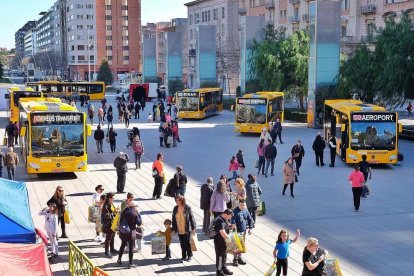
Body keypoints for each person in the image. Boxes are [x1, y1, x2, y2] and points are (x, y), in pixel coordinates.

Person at [117, 201, 142, 269]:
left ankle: (119, 259)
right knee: (131, 248)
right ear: (134, 207)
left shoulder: (124, 210)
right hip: (131, 232)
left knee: (122, 245)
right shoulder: (134, 213)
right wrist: (138, 214)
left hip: (123, 231)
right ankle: (130, 263)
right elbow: (139, 223)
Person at [171, 195, 196, 262]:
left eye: (178, 200)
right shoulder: (175, 208)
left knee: (187, 242)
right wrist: (173, 229)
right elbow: (173, 219)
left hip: (187, 228)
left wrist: (193, 228)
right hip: (179, 228)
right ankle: (184, 256)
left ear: (182, 201)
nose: (177, 202)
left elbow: (191, 218)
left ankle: (189, 255)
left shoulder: (187, 207)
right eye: (176, 200)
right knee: (182, 243)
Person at [230, 200, 253, 266]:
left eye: (244, 205)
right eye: (241, 205)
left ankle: (240, 258)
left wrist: (250, 228)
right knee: (236, 246)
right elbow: (233, 222)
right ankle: (235, 259)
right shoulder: (234, 212)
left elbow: (250, 219)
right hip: (236, 232)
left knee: (242, 245)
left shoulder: (245, 210)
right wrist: (234, 231)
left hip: (243, 231)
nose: (243, 206)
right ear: (238, 204)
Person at [213, 208, 234, 276]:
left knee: (224, 255)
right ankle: (219, 271)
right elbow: (222, 232)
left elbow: (226, 226)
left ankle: (224, 268)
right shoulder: (220, 220)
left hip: (224, 241)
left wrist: (231, 226)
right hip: (219, 242)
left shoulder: (224, 219)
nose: (231, 217)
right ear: (225, 214)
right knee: (220, 256)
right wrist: (229, 240)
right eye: (230, 215)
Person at [101, 193, 118, 258]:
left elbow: (113, 211)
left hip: (113, 223)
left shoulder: (111, 204)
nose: (113, 199)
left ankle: (112, 249)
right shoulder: (106, 206)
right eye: (113, 198)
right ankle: (106, 251)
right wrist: (114, 215)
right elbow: (107, 215)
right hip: (108, 224)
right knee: (108, 238)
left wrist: (116, 211)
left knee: (112, 236)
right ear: (109, 198)